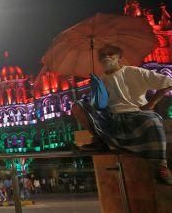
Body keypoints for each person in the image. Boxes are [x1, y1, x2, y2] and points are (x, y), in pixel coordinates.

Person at [73, 44, 172, 185]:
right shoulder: (100, 80)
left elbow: (168, 82)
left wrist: (151, 104)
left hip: (136, 114)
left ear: (119, 57)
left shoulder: (134, 72)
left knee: (153, 120)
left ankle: (161, 166)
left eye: (110, 53)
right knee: (78, 106)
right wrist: (96, 88)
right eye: (102, 56)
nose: (106, 57)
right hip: (112, 118)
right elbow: (98, 106)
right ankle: (101, 141)